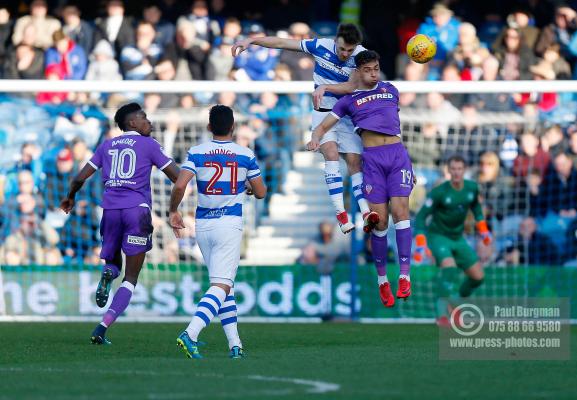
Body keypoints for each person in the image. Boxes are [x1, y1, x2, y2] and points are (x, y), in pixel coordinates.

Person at [232, 23, 379, 235]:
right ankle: (341, 214)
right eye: (342, 49)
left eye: (350, 49)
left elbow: (351, 87)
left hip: (347, 114)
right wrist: (251, 41)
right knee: (331, 153)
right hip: (323, 112)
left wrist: (324, 87)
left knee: (355, 163)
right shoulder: (320, 45)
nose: (346, 54)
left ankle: (366, 213)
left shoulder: (362, 56)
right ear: (335, 41)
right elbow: (282, 42)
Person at [59, 103, 179, 345]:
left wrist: (70, 197)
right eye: (144, 118)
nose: (150, 122)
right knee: (131, 277)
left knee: (113, 263)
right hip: (137, 211)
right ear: (131, 122)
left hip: (110, 211)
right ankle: (103, 327)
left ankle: (107, 273)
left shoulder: (106, 145)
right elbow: (177, 176)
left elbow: (80, 177)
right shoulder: (149, 145)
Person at [306, 50, 413, 307]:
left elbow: (392, 122)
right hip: (373, 160)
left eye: (376, 68)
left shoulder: (391, 89)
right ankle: (382, 280)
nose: (374, 73)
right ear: (358, 71)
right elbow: (323, 125)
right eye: (369, 70)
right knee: (380, 223)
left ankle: (405, 276)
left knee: (402, 212)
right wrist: (315, 138)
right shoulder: (348, 101)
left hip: (397, 155)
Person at [168, 105, 266, 359]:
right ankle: (191, 332)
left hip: (203, 226)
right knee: (222, 285)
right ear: (233, 127)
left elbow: (180, 185)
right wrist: (246, 185)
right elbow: (262, 191)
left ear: (209, 127)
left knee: (224, 286)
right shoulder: (245, 154)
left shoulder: (197, 152)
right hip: (229, 224)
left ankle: (235, 345)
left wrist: (173, 211)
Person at [414, 155, 492, 327]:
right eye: (453, 169)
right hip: (439, 237)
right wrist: (421, 243)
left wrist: (484, 231)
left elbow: (477, 210)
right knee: (449, 269)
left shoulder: (472, 188)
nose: (456, 172)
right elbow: (420, 219)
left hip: (458, 238)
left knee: (478, 277)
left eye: (460, 169)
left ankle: (455, 302)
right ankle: (441, 315)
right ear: (448, 171)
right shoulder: (439, 192)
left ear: (464, 170)